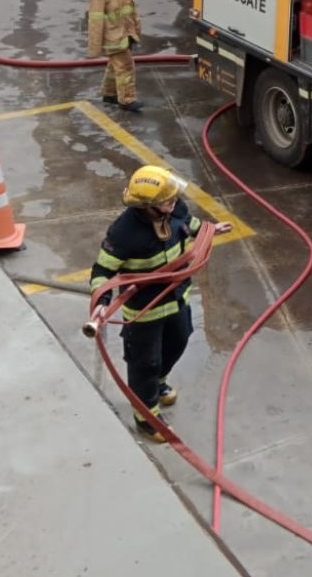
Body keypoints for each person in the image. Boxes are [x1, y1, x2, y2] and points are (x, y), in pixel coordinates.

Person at [90, 165, 233, 442]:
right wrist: (100, 301)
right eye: (168, 200)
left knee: (179, 341)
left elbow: (188, 225)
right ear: (149, 207)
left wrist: (209, 230)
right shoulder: (123, 233)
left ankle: (159, 382)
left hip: (178, 298)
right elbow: (102, 271)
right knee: (145, 362)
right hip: (145, 312)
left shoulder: (174, 208)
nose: (175, 202)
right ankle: (146, 418)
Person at [88, 0, 143, 112]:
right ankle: (127, 100)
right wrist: (95, 48)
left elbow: (131, 12)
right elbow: (95, 23)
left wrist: (136, 31)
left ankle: (109, 94)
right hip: (114, 39)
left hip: (126, 35)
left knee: (115, 67)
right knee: (125, 67)